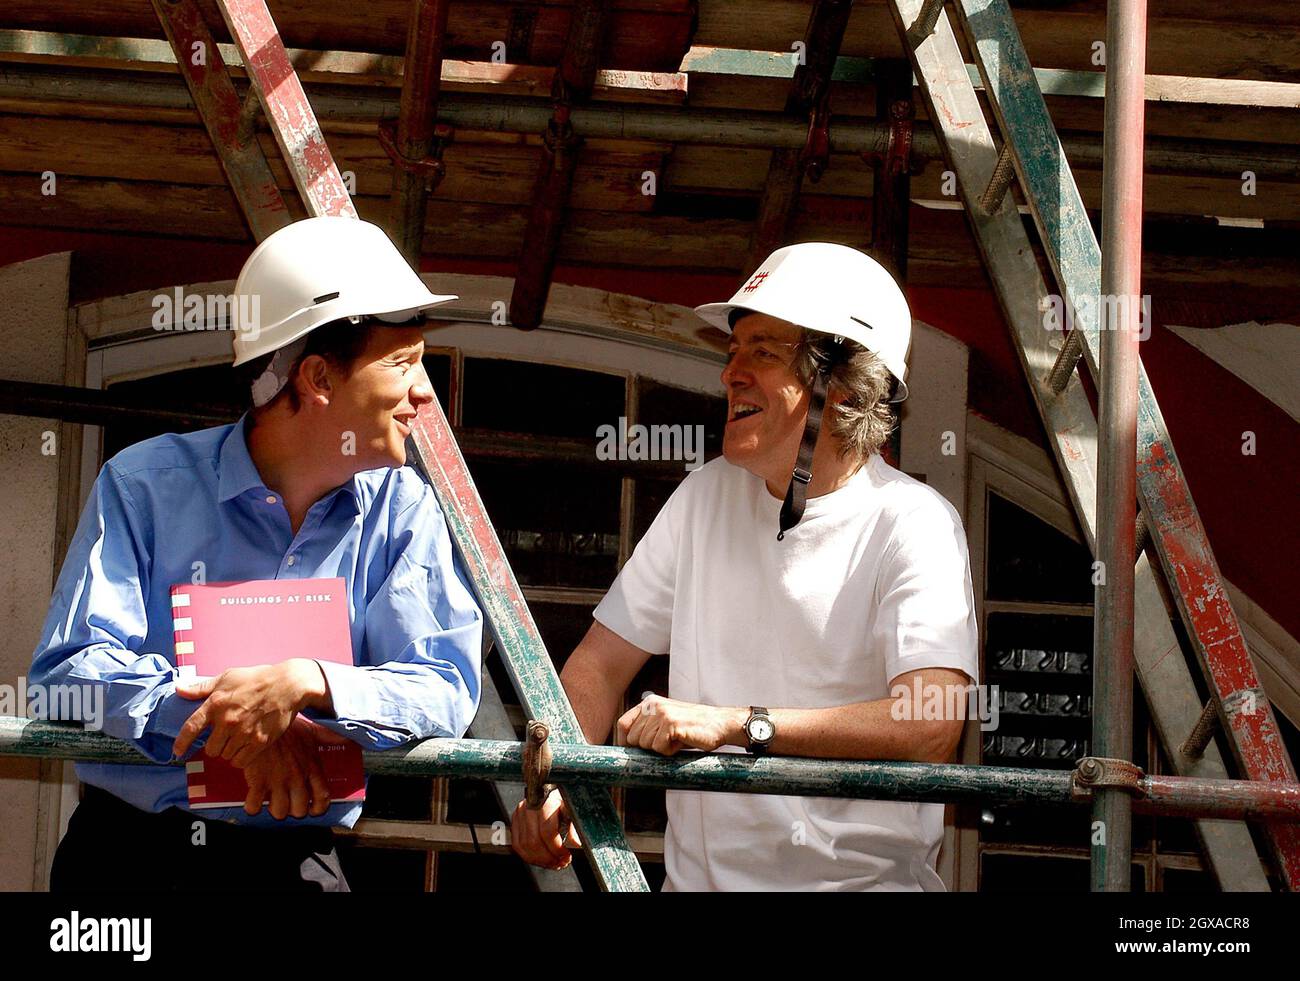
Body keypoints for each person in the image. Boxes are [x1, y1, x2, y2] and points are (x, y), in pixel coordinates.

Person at [30, 216, 483, 892]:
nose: (425, 392)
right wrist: (232, 721)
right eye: (403, 362)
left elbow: (444, 685)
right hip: (128, 862)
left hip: (295, 865)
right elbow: (69, 673)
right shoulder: (143, 485)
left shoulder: (402, 508)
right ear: (318, 377)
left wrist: (308, 681)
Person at [512, 242, 979, 891]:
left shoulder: (913, 522)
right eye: (733, 351)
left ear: (839, 386)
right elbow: (598, 663)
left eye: (763, 351)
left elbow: (930, 722)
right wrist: (559, 776)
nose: (730, 372)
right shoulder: (704, 497)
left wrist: (738, 724)